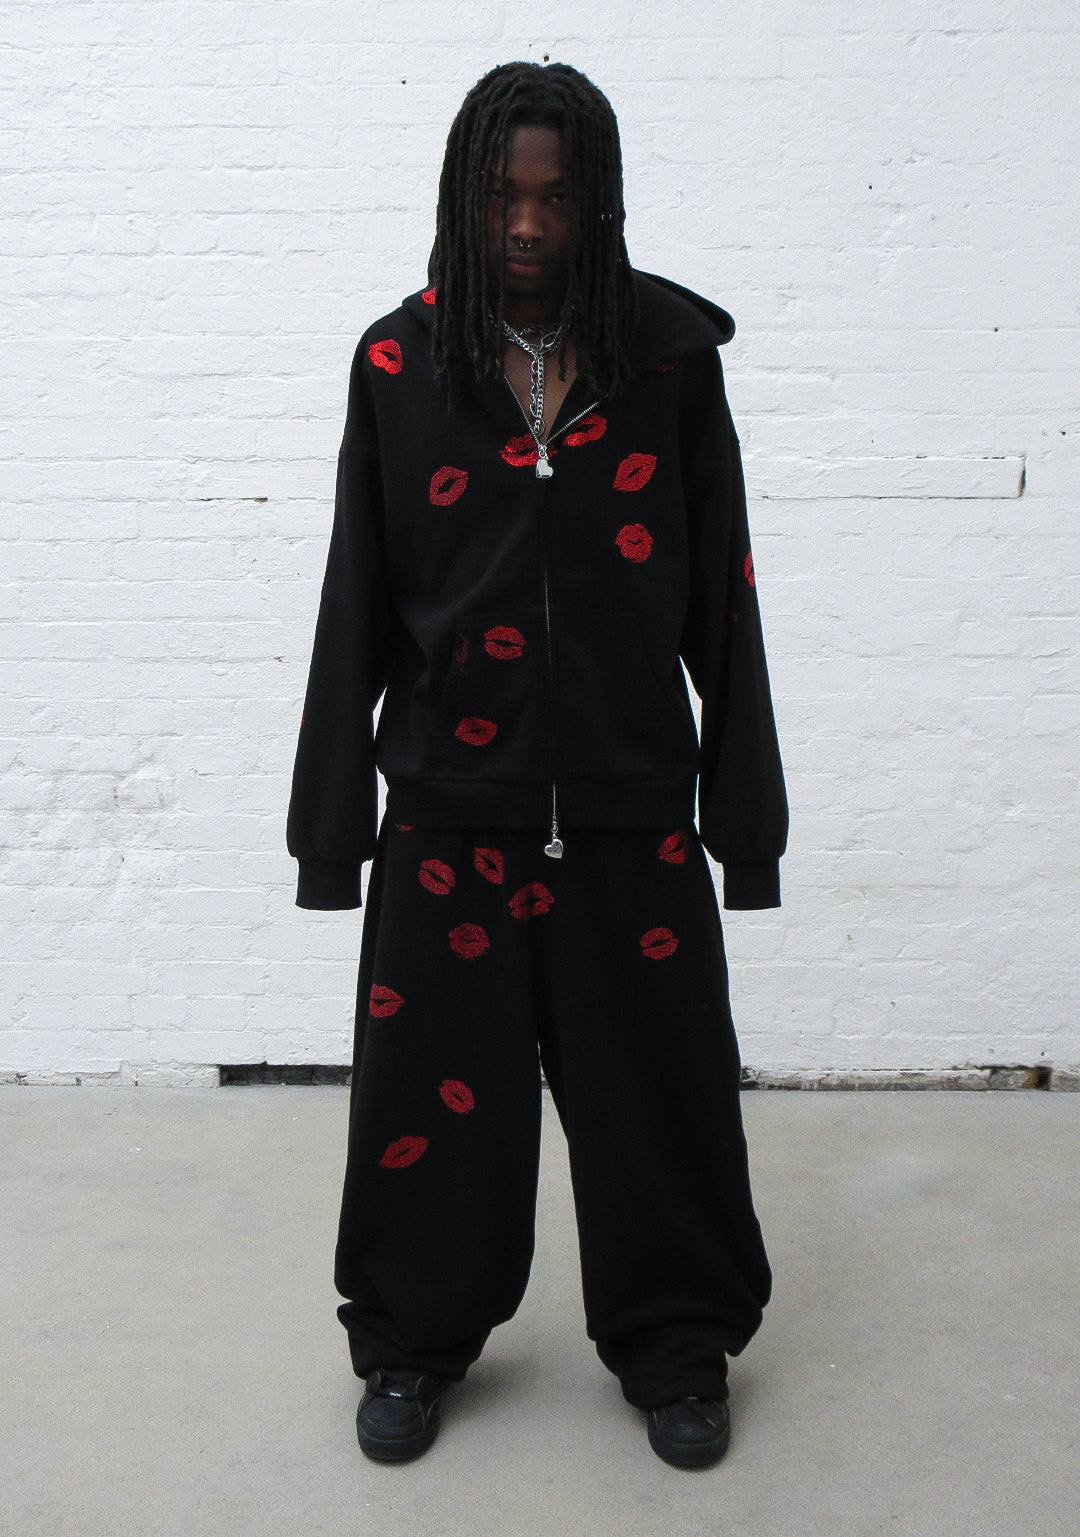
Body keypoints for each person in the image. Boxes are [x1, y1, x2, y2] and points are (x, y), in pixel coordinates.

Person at [286, 60, 788, 1469]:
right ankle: (408, 1339)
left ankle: (679, 1343)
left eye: (556, 197)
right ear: (466, 196)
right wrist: (332, 829)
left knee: (662, 1095)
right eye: (506, 196)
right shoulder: (400, 366)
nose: (526, 223)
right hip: (452, 809)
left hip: (633, 809)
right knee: (429, 1096)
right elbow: (355, 599)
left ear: (596, 203)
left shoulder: (668, 362)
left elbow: (726, 601)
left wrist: (745, 823)